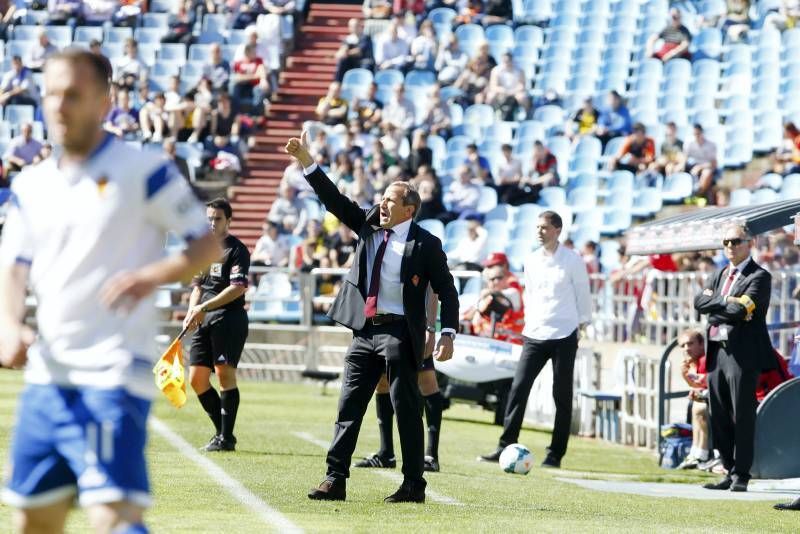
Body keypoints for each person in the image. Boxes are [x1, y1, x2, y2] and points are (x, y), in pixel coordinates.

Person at [0, 49, 221, 534]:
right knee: (32, 521)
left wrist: (151, 275)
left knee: (113, 517)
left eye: (73, 95)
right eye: (52, 94)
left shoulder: (143, 171)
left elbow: (206, 245)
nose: (59, 106)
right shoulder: (32, 184)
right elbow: (13, 265)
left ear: (103, 102)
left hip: (113, 373)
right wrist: (10, 325)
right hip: (47, 377)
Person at [285, 130, 459, 503]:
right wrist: (306, 160)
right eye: (382, 199)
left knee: (406, 408)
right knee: (348, 404)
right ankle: (335, 479)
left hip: (400, 332)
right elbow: (333, 200)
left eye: (391, 201)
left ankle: (414, 484)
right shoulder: (367, 224)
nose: (382, 205)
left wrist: (447, 332)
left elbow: (447, 289)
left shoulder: (426, 244)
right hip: (365, 331)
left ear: (409, 209)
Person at [480, 211, 591, 468]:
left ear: (557, 230)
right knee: (518, 388)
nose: (539, 231)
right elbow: (529, 294)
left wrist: (582, 324)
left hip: (564, 333)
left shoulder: (573, 260)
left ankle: (555, 454)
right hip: (535, 332)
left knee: (561, 395)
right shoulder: (530, 260)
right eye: (537, 227)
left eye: (545, 227)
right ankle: (505, 444)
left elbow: (583, 295)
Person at [694, 224, 775, 492]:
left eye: (736, 241)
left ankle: (742, 473)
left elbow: (741, 310)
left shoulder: (759, 276)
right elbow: (699, 303)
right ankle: (728, 469)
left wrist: (719, 304)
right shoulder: (718, 274)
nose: (730, 246)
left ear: (749, 243)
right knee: (718, 413)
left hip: (742, 354)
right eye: (726, 241)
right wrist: (726, 301)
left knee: (742, 414)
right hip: (717, 351)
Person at [354, 286, 448, 472]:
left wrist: (430, 327)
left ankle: (430, 455)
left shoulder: (417, 255)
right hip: (378, 323)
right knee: (382, 383)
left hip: (411, 324)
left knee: (426, 382)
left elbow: (431, 288)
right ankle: (386, 453)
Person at [184, 198, 251, 452]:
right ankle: (221, 433)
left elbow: (237, 288)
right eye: (209, 218)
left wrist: (204, 307)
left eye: (218, 219)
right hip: (204, 317)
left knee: (224, 374)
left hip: (228, 318)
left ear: (229, 221)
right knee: (197, 379)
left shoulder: (237, 250)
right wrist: (193, 309)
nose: (212, 223)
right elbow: (198, 287)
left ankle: (226, 437)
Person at [676, 329, 710, 469]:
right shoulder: (695, 362)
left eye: (690, 344)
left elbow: (706, 384)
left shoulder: (704, 359)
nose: (686, 348)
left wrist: (696, 390)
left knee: (700, 407)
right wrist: (685, 376)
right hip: (708, 397)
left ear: (702, 344)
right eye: (683, 346)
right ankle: (695, 451)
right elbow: (699, 386)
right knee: (697, 405)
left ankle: (702, 453)